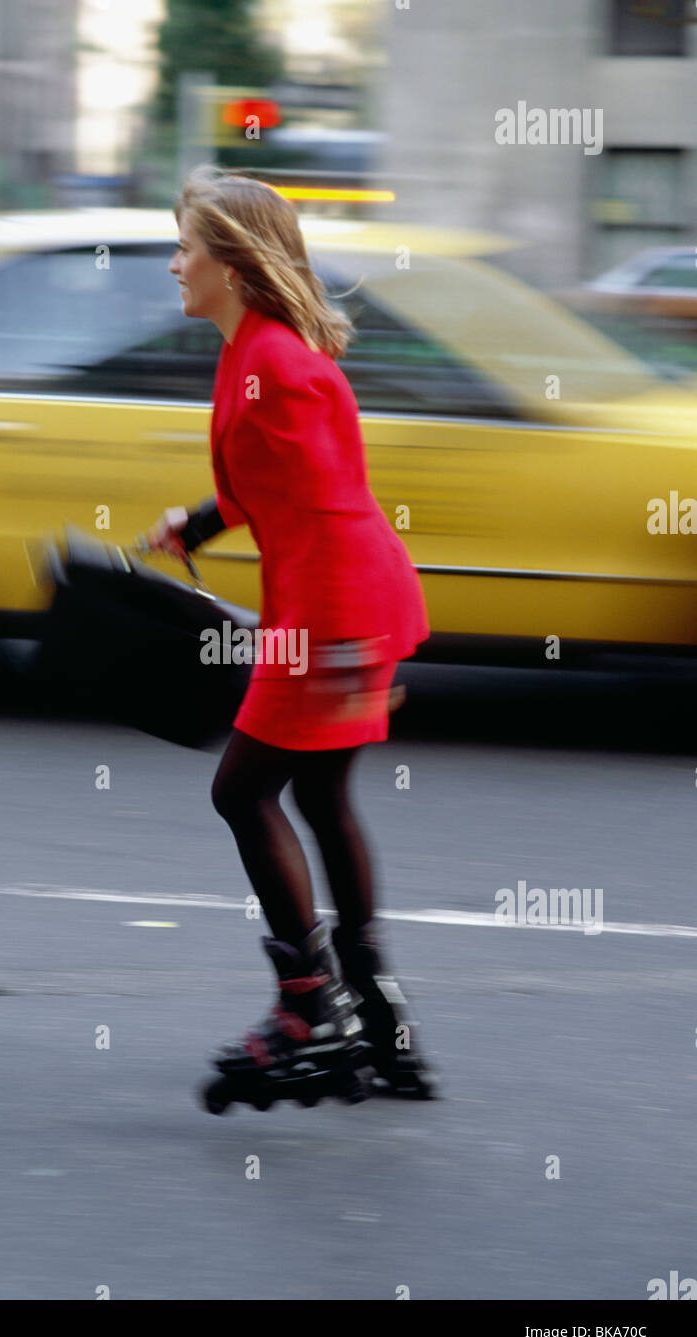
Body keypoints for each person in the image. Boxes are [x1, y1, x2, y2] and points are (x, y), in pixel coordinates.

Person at [147, 165, 434, 1093]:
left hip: (334, 609)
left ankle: (309, 1006)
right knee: (317, 798)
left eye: (186, 247)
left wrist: (349, 649)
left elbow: (332, 507)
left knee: (242, 792)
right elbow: (267, 483)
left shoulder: (277, 361)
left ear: (230, 263)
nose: (174, 264)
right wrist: (196, 524)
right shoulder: (250, 351)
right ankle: (379, 1018)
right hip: (336, 605)